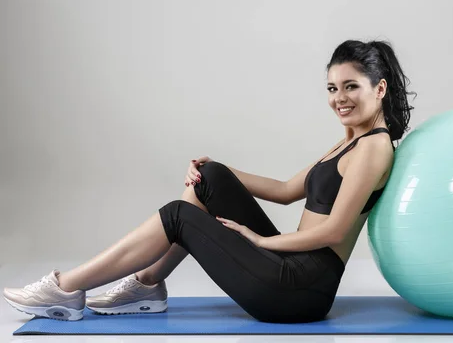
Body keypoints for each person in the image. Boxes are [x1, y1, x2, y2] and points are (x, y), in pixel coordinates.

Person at [3, 39, 416, 324]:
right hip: (291, 270)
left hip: (300, 291)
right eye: (332, 88)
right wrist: (215, 168)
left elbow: (334, 230)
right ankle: (147, 284)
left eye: (351, 87)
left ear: (378, 89)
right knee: (210, 177)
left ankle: (66, 288)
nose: (339, 98)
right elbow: (289, 191)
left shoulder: (374, 148)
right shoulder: (349, 142)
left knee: (178, 215)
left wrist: (259, 241)